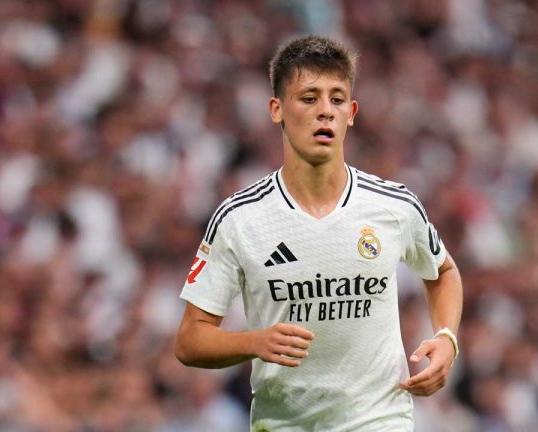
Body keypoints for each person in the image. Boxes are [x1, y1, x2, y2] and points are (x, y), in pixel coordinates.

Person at [174, 35, 463, 431]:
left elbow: (443, 272)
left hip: (380, 420)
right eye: (309, 98)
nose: (325, 111)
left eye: (337, 99)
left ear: (352, 112)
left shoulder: (393, 206)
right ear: (277, 109)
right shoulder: (239, 219)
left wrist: (446, 337)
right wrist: (253, 342)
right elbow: (190, 340)